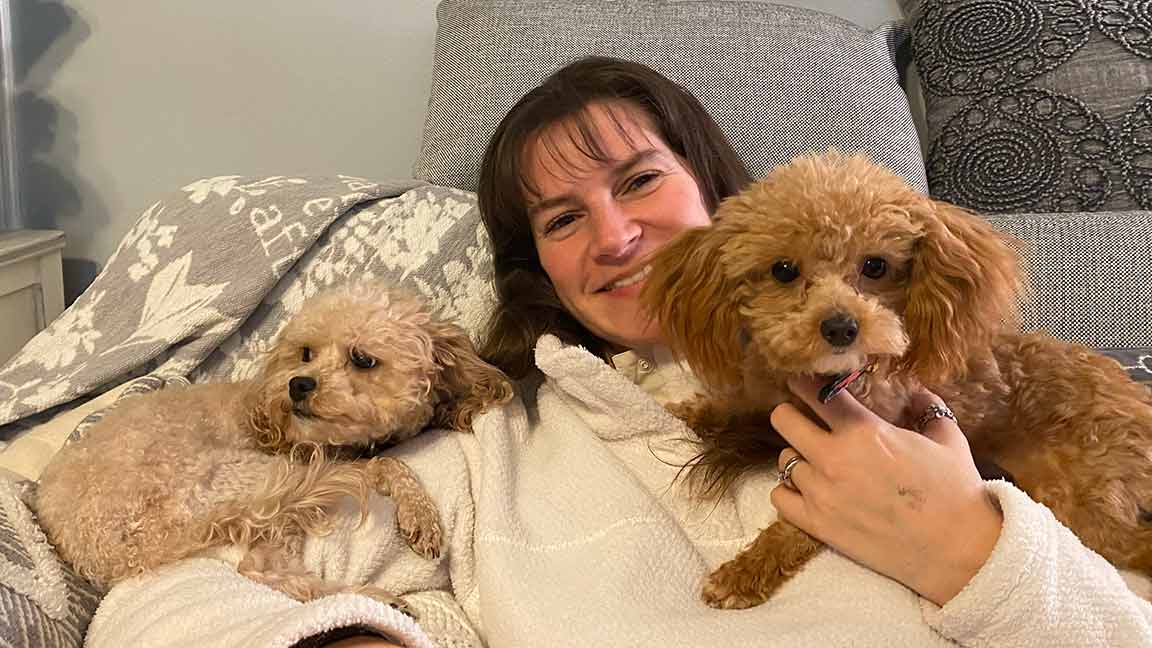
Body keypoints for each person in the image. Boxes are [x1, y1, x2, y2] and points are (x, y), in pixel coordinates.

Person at [85, 57, 1152, 648]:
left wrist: (975, 553)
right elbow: (160, 602)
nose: (614, 236)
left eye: (640, 181)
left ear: (719, 193)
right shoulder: (492, 444)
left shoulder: (928, 382)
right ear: (538, 271)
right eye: (560, 220)